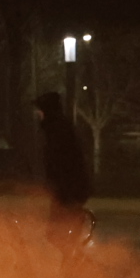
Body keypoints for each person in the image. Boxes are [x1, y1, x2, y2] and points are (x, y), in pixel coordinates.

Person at [33, 91, 92, 252]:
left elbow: (63, 164)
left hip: (68, 191)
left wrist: (60, 190)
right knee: (60, 235)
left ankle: (75, 267)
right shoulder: (58, 129)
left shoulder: (58, 131)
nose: (37, 114)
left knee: (57, 235)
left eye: (40, 110)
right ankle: (71, 266)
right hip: (68, 190)